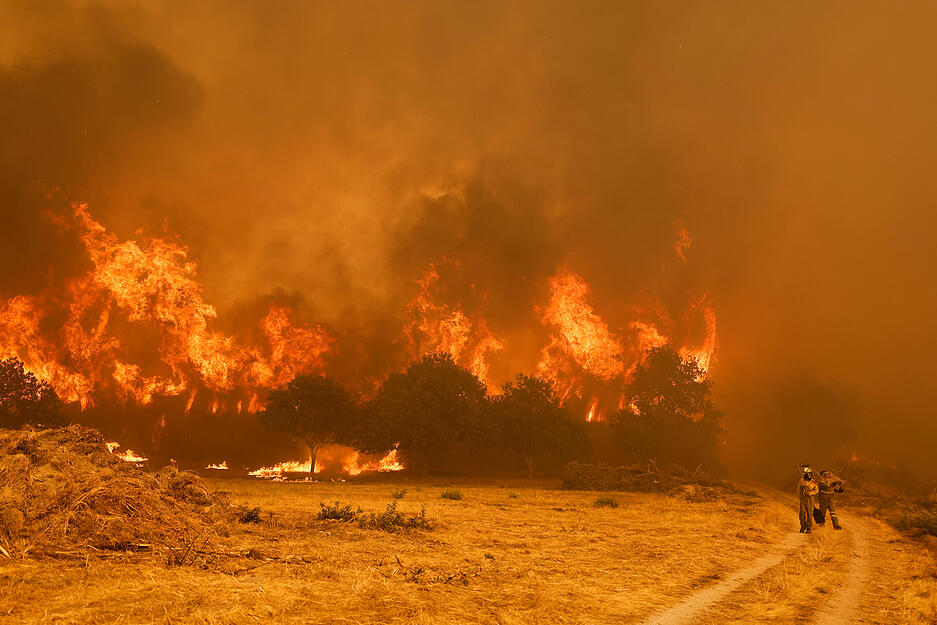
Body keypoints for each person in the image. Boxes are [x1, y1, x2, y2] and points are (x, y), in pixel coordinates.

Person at [797, 466, 819, 533]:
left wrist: (811, 493)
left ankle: (809, 528)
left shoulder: (813, 481)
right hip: (803, 499)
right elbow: (798, 489)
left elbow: (816, 490)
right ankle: (803, 526)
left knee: (810, 514)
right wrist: (800, 497)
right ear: (805, 474)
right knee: (802, 513)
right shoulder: (801, 480)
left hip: (810, 499)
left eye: (810, 474)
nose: (809, 475)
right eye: (808, 474)